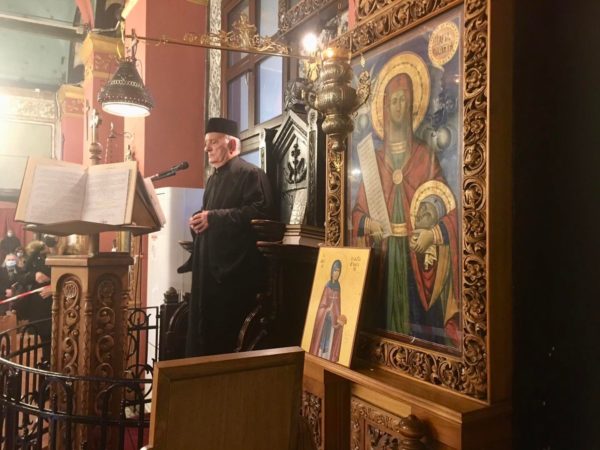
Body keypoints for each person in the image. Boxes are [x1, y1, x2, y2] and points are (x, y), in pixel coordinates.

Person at [351, 73, 460, 347]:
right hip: (385, 256)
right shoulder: (375, 161)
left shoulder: (425, 156)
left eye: (404, 100)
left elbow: (449, 208)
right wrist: (369, 224)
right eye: (394, 100)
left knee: (419, 324)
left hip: (416, 257)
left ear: (412, 105)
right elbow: (356, 214)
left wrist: (432, 234)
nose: (399, 106)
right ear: (385, 107)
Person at [181, 117, 274, 357]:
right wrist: (199, 219)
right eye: (206, 143)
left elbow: (260, 212)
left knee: (222, 338)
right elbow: (212, 213)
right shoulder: (213, 179)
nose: (207, 149)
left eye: (213, 142)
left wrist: (213, 218)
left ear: (231, 144)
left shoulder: (251, 174)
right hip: (207, 270)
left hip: (233, 276)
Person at [309, 260, 347, 362]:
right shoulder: (327, 286)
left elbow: (337, 306)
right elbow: (321, 307)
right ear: (331, 271)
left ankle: (328, 359)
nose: (336, 273)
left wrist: (338, 317)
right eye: (335, 270)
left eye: (338, 271)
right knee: (322, 343)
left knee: (329, 343)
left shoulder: (338, 287)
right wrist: (327, 310)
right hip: (324, 321)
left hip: (332, 323)